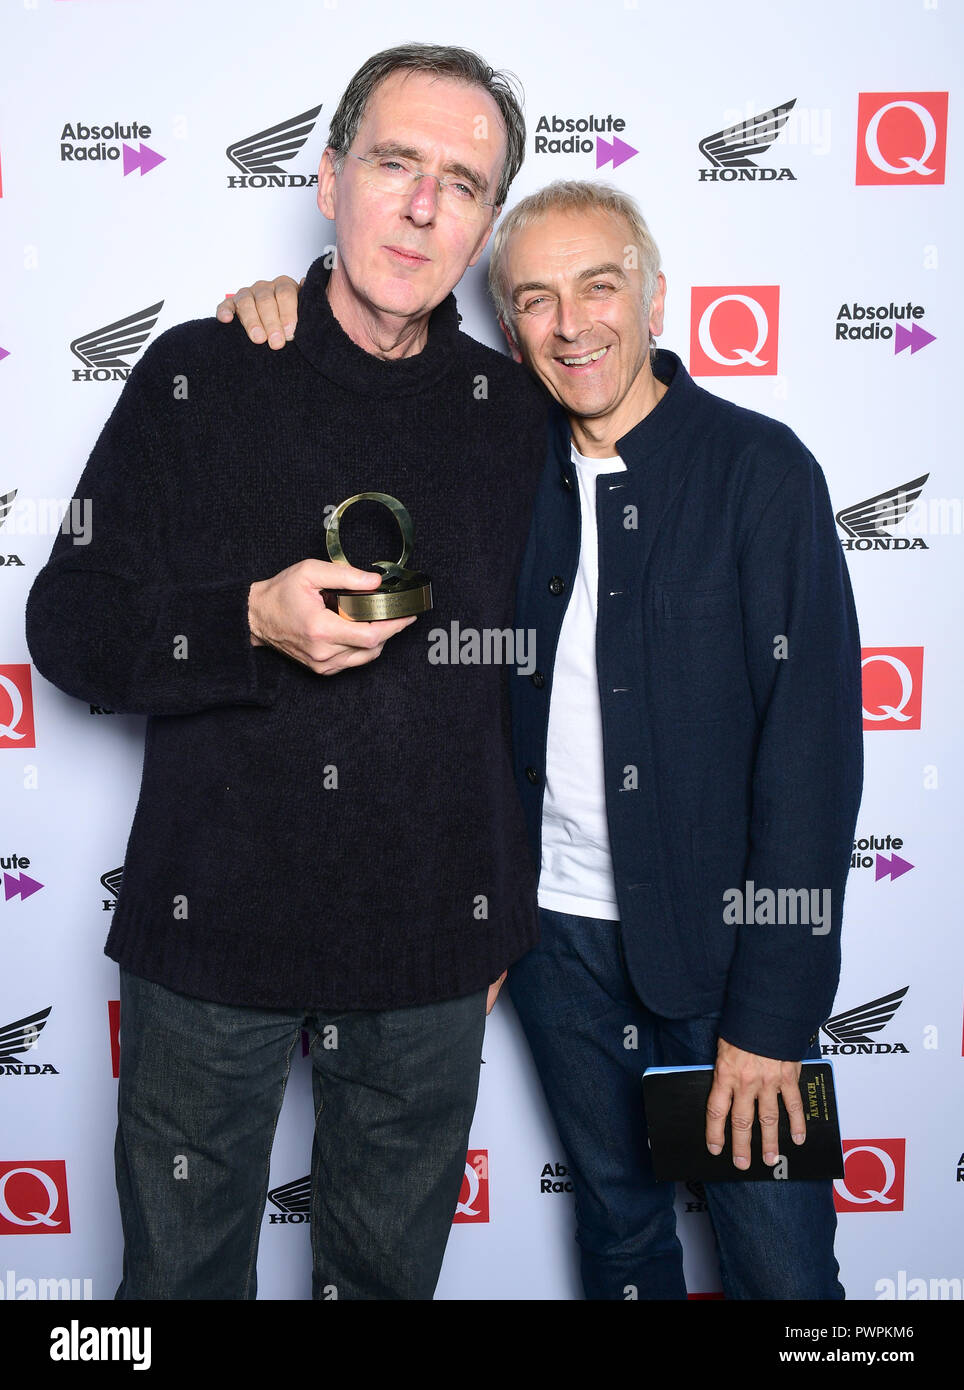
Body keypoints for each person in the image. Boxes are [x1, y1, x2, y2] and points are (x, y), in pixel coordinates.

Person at [221, 180, 863, 1300]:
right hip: (553, 946)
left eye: (598, 286)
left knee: (783, 1270)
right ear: (507, 329)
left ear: (654, 296)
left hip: (726, 962)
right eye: (534, 299)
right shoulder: (499, 464)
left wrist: (773, 1018)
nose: (572, 324)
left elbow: (812, 758)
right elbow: (369, 386)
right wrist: (280, 309)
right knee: (618, 1238)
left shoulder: (760, 473)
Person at [25, 44, 549, 1301]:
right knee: (178, 1287)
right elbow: (68, 623)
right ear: (327, 178)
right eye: (394, 163)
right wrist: (245, 620)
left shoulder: (515, 415)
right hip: (210, 943)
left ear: (483, 227)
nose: (423, 206)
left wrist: (503, 902)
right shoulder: (200, 373)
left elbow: (548, 677)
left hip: (429, 951)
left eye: (464, 184)